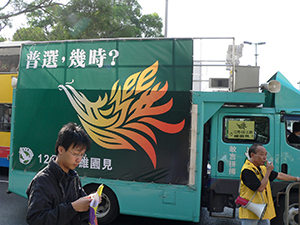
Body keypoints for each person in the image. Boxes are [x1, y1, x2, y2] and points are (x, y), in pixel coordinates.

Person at [26, 122, 96, 225]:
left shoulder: (73, 177)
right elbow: (35, 220)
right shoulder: (42, 181)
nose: (79, 159)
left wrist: (91, 201)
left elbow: (81, 213)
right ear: (61, 149)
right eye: (76, 154)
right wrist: (73, 208)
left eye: (82, 155)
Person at [239, 143, 300, 225]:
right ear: (252, 155)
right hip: (250, 212)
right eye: (261, 154)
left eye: (265, 154)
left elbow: (279, 175)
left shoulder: (262, 168)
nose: (265, 157)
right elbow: (260, 188)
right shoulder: (247, 170)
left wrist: (297, 178)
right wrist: (268, 171)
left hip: (262, 210)